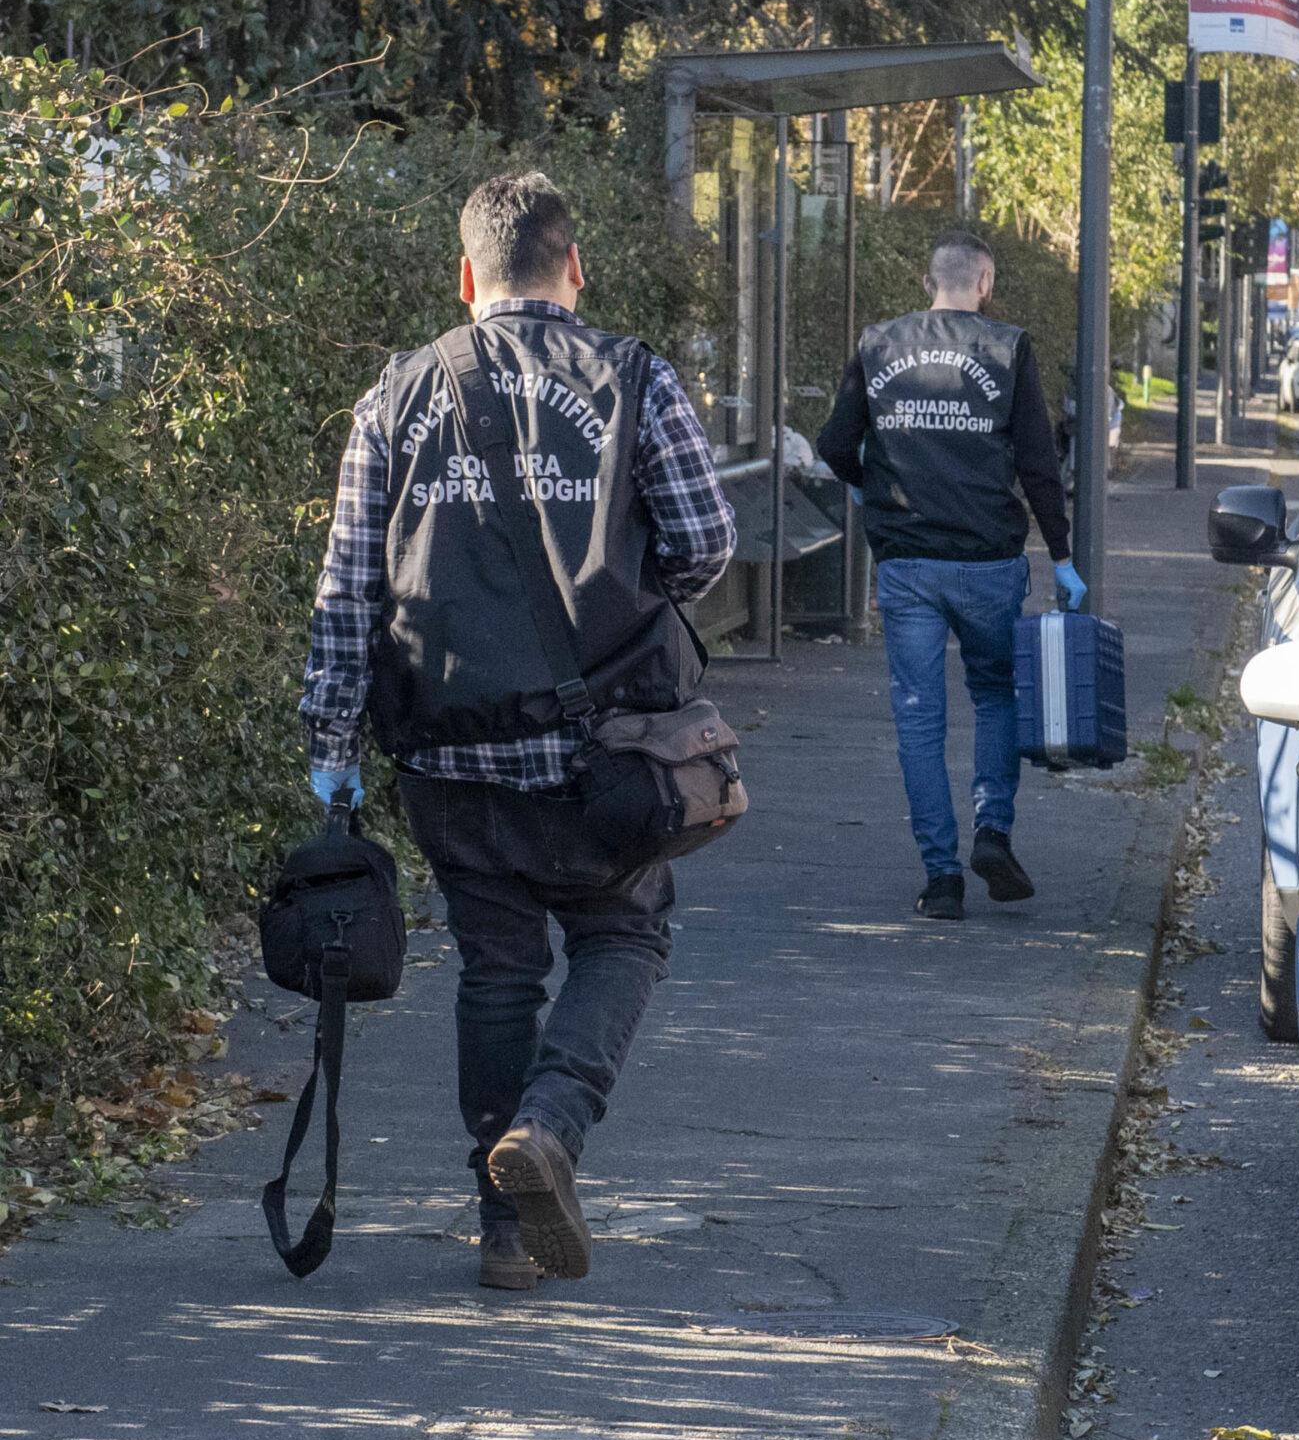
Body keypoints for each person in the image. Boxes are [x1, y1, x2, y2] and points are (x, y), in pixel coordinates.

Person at [299, 172, 735, 1291]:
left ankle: (503, 1230)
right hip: (607, 750)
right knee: (624, 935)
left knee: (496, 972)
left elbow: (349, 592)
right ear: (574, 267)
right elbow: (704, 542)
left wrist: (332, 746)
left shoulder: (394, 394)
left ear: (466, 275)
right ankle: (546, 1129)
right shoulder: (635, 375)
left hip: (446, 753)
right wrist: (625, 601)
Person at [816, 229, 1081, 922]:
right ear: (985, 283)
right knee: (996, 697)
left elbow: (834, 444)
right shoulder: (1007, 347)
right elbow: (1038, 464)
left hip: (907, 563)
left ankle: (940, 879)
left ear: (929, 281)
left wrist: (871, 487)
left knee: (918, 718)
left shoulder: (879, 344)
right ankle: (992, 830)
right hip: (989, 561)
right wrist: (1063, 555)